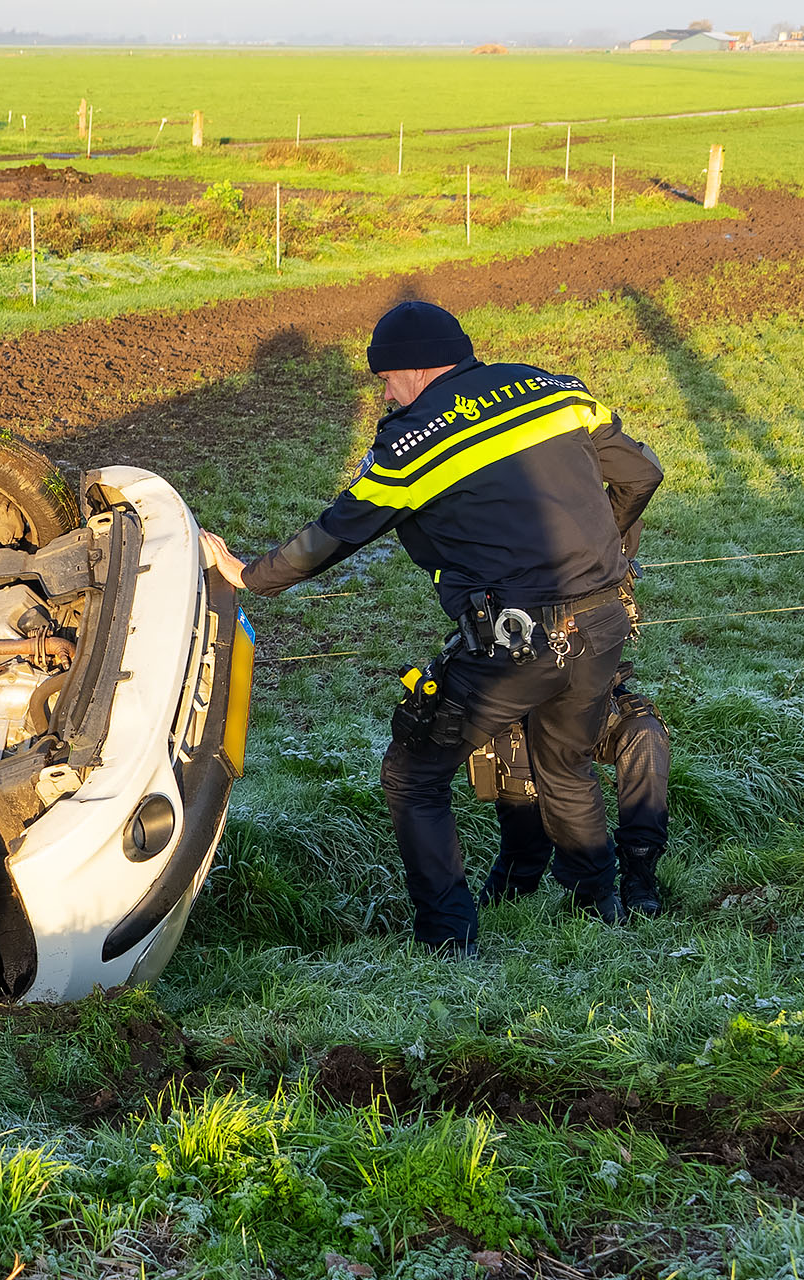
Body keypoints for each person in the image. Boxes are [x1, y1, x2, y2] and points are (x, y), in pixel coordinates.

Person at [201, 300, 663, 953]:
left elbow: (335, 534)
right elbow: (643, 473)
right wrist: (603, 552)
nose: (384, 392)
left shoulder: (414, 439)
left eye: (387, 377)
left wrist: (250, 576)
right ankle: (602, 907)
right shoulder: (555, 389)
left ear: (418, 369)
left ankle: (449, 941)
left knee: (414, 774)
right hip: (603, 618)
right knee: (565, 763)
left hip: (515, 638)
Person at [475, 662, 669, 916]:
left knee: (644, 733)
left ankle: (639, 874)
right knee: (525, 853)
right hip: (523, 716)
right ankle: (496, 909)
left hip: (590, 703)